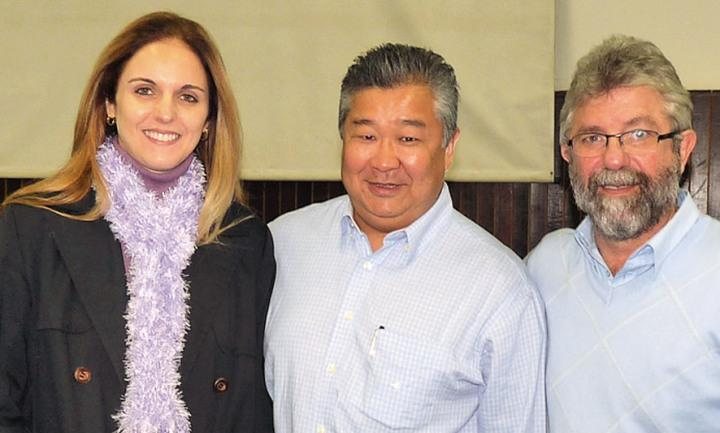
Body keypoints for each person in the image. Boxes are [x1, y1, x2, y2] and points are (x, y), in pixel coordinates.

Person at [0, 12, 275, 433]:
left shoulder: (244, 239)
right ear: (110, 104)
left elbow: (252, 410)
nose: (165, 113)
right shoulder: (32, 227)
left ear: (208, 121)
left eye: (188, 97)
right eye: (145, 90)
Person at [265, 43, 546, 433]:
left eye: (408, 139)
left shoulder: (500, 291)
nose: (383, 161)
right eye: (365, 136)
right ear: (342, 139)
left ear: (449, 148)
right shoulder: (282, 244)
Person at [526, 34, 720, 432]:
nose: (614, 158)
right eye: (592, 138)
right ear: (567, 153)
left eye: (639, 134)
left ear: (683, 149)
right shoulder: (545, 266)